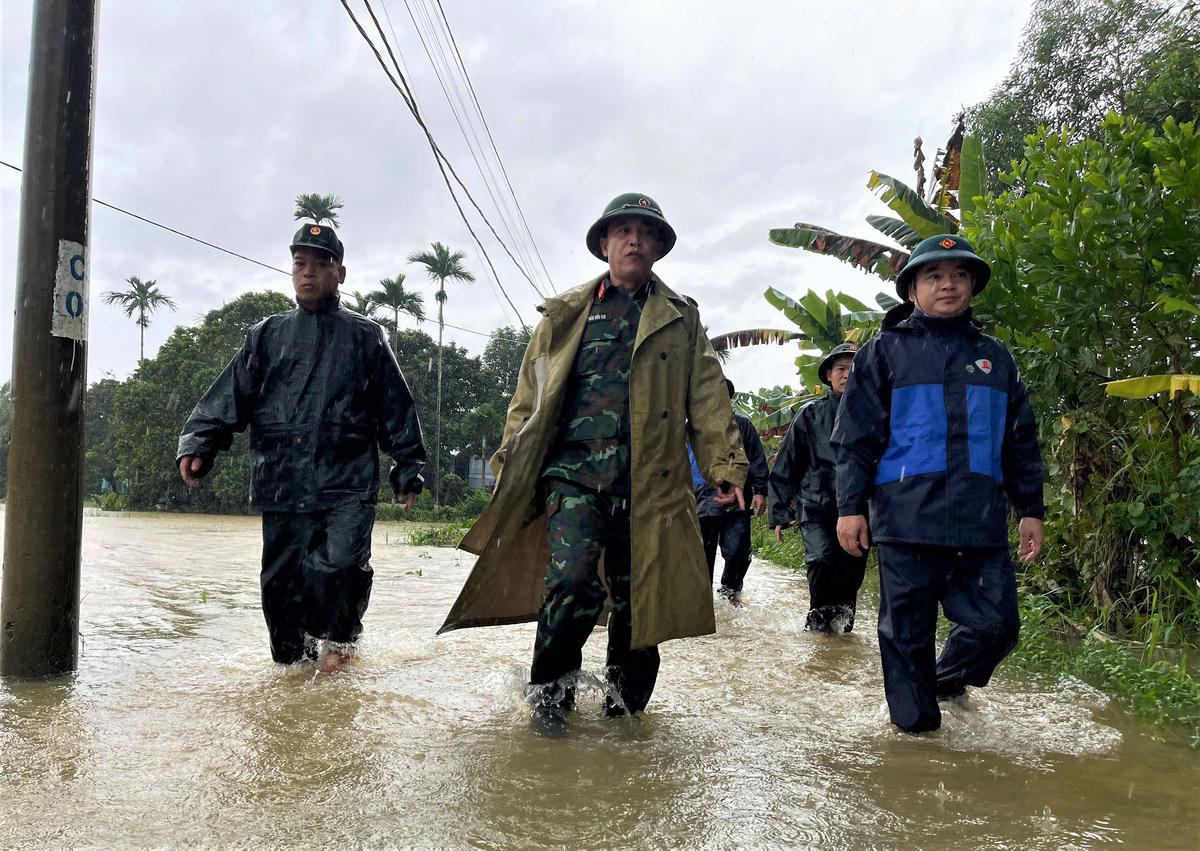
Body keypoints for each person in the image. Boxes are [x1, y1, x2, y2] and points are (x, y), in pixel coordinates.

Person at [438, 193, 748, 735]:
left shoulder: (681, 317)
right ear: (604, 244)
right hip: (573, 476)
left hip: (650, 482)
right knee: (573, 581)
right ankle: (550, 699)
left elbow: (707, 396)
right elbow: (528, 398)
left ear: (657, 247)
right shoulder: (565, 314)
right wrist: (508, 462)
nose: (633, 240)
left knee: (639, 599)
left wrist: (724, 466)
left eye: (644, 232)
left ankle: (625, 713)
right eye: (621, 231)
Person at [177, 223, 426, 672]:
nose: (308, 274)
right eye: (300, 264)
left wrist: (407, 466)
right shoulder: (267, 335)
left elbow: (396, 408)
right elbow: (231, 394)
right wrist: (201, 441)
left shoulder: (367, 338)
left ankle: (340, 655)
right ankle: (292, 679)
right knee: (281, 587)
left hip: (346, 483)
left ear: (340, 273)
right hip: (282, 482)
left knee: (341, 568)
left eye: (320, 264)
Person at [831, 233, 1045, 734]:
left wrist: (1031, 509)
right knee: (906, 637)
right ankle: (916, 744)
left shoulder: (996, 358)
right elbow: (856, 439)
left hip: (980, 520)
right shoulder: (883, 353)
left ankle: (945, 680)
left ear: (971, 285)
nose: (948, 285)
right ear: (912, 290)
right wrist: (849, 507)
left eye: (959, 275)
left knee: (998, 626)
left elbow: (1020, 441)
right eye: (934, 275)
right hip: (906, 519)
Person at [768, 342, 868, 633]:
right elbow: (786, 463)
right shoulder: (810, 415)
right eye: (841, 369)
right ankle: (819, 636)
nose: (847, 375)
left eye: (854, 369)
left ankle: (839, 643)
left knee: (850, 575)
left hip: (858, 509)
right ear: (828, 375)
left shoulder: (872, 414)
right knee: (822, 562)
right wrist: (780, 510)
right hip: (815, 507)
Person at [688, 378, 768, 604]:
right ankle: (701, 602)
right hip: (699, 502)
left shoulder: (743, 426)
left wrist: (760, 491)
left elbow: (756, 460)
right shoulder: (690, 430)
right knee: (700, 558)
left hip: (737, 504)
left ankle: (730, 594)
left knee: (737, 553)